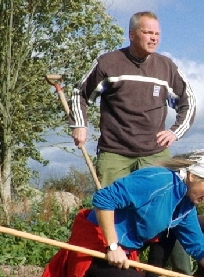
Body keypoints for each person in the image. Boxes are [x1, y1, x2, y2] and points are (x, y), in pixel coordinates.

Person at [30, 148, 204, 277]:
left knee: (170, 233)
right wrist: (112, 246)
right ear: (194, 176)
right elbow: (103, 199)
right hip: (97, 247)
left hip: (124, 251)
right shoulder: (157, 180)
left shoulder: (186, 206)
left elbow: (201, 249)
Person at [69, 11, 196, 188]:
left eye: (157, 34)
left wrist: (175, 132)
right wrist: (79, 125)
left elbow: (188, 102)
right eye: (147, 33)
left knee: (154, 209)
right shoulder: (108, 63)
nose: (154, 38)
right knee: (111, 208)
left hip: (155, 154)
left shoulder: (166, 67)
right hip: (114, 154)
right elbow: (80, 93)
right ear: (131, 34)